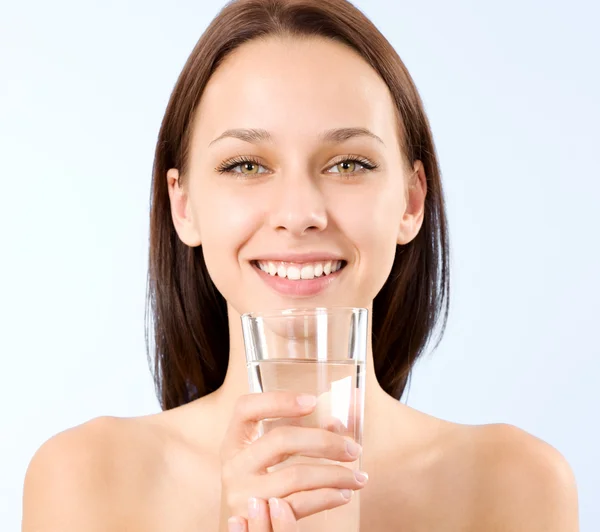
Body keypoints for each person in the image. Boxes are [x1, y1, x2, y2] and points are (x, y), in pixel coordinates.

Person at [21, 0, 579, 530]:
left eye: (349, 163)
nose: (299, 214)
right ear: (183, 205)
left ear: (411, 202)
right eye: (245, 165)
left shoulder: (516, 484)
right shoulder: (86, 480)